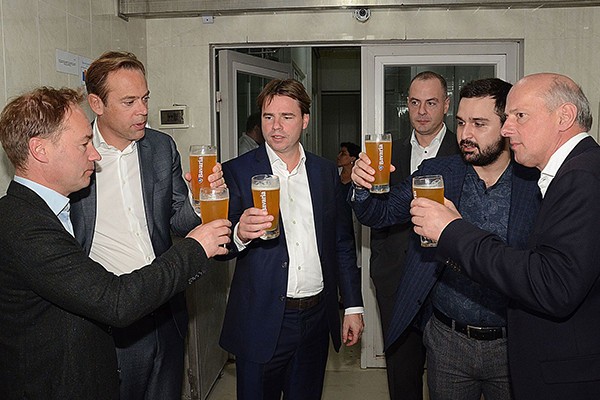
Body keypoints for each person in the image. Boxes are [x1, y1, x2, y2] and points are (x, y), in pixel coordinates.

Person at [0, 86, 231, 399]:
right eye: (84, 143)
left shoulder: (50, 210)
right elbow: (116, 301)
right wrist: (195, 247)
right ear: (40, 150)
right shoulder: (24, 226)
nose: (95, 155)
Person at [410, 73, 600, 399]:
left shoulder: (580, 177)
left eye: (519, 116)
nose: (507, 129)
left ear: (564, 116)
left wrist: (452, 230)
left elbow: (552, 283)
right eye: (507, 117)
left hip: (567, 372)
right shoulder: (577, 170)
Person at [351, 78, 542, 399]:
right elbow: (379, 213)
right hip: (447, 340)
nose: (465, 134)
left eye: (479, 124)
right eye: (462, 123)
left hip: (514, 343)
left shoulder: (535, 181)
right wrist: (361, 186)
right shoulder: (439, 172)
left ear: (507, 126)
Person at [70, 51, 221, 400]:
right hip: (109, 317)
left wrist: (200, 201)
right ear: (97, 104)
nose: (142, 110)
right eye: (129, 101)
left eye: (145, 98)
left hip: (166, 308)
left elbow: (178, 221)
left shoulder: (161, 147)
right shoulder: (77, 154)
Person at [220, 78, 364, 400]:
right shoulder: (237, 172)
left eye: (287, 117)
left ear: (305, 120)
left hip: (316, 318)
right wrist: (238, 233)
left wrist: (353, 305)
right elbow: (218, 247)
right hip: (261, 320)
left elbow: (342, 243)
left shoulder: (325, 173)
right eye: (268, 117)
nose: (276, 126)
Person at [369, 71, 459, 400]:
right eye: (415, 102)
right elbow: (374, 213)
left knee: (450, 382)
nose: (422, 111)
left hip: (448, 282)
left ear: (446, 105)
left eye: (431, 103)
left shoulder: (464, 151)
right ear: (407, 104)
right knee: (402, 378)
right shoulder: (384, 153)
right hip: (395, 281)